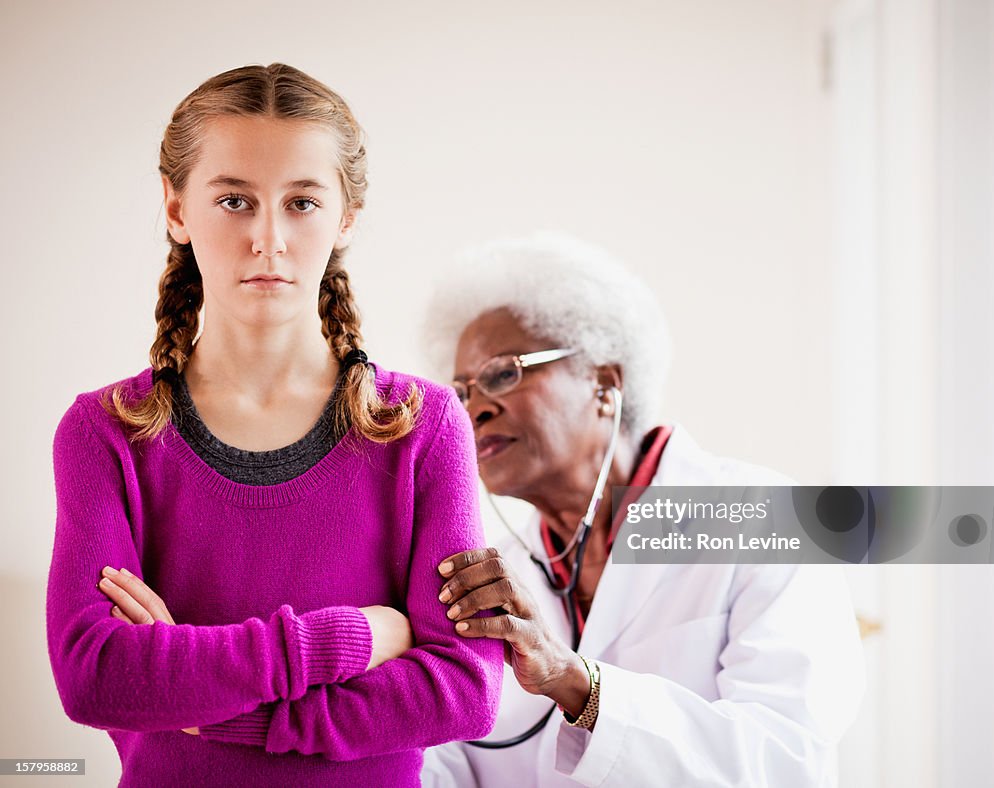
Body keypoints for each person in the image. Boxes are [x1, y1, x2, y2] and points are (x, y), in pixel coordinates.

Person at [46, 63, 502, 787]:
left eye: (301, 202)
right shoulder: (106, 433)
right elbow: (97, 678)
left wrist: (218, 706)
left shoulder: (422, 427)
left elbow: (462, 691)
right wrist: (349, 639)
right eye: (233, 200)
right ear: (175, 209)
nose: (268, 239)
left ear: (345, 216)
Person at [421, 233, 865, 786]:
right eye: (461, 391)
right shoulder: (495, 578)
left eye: (504, 373)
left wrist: (573, 681)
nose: (474, 410)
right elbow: (457, 762)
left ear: (604, 384)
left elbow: (784, 760)